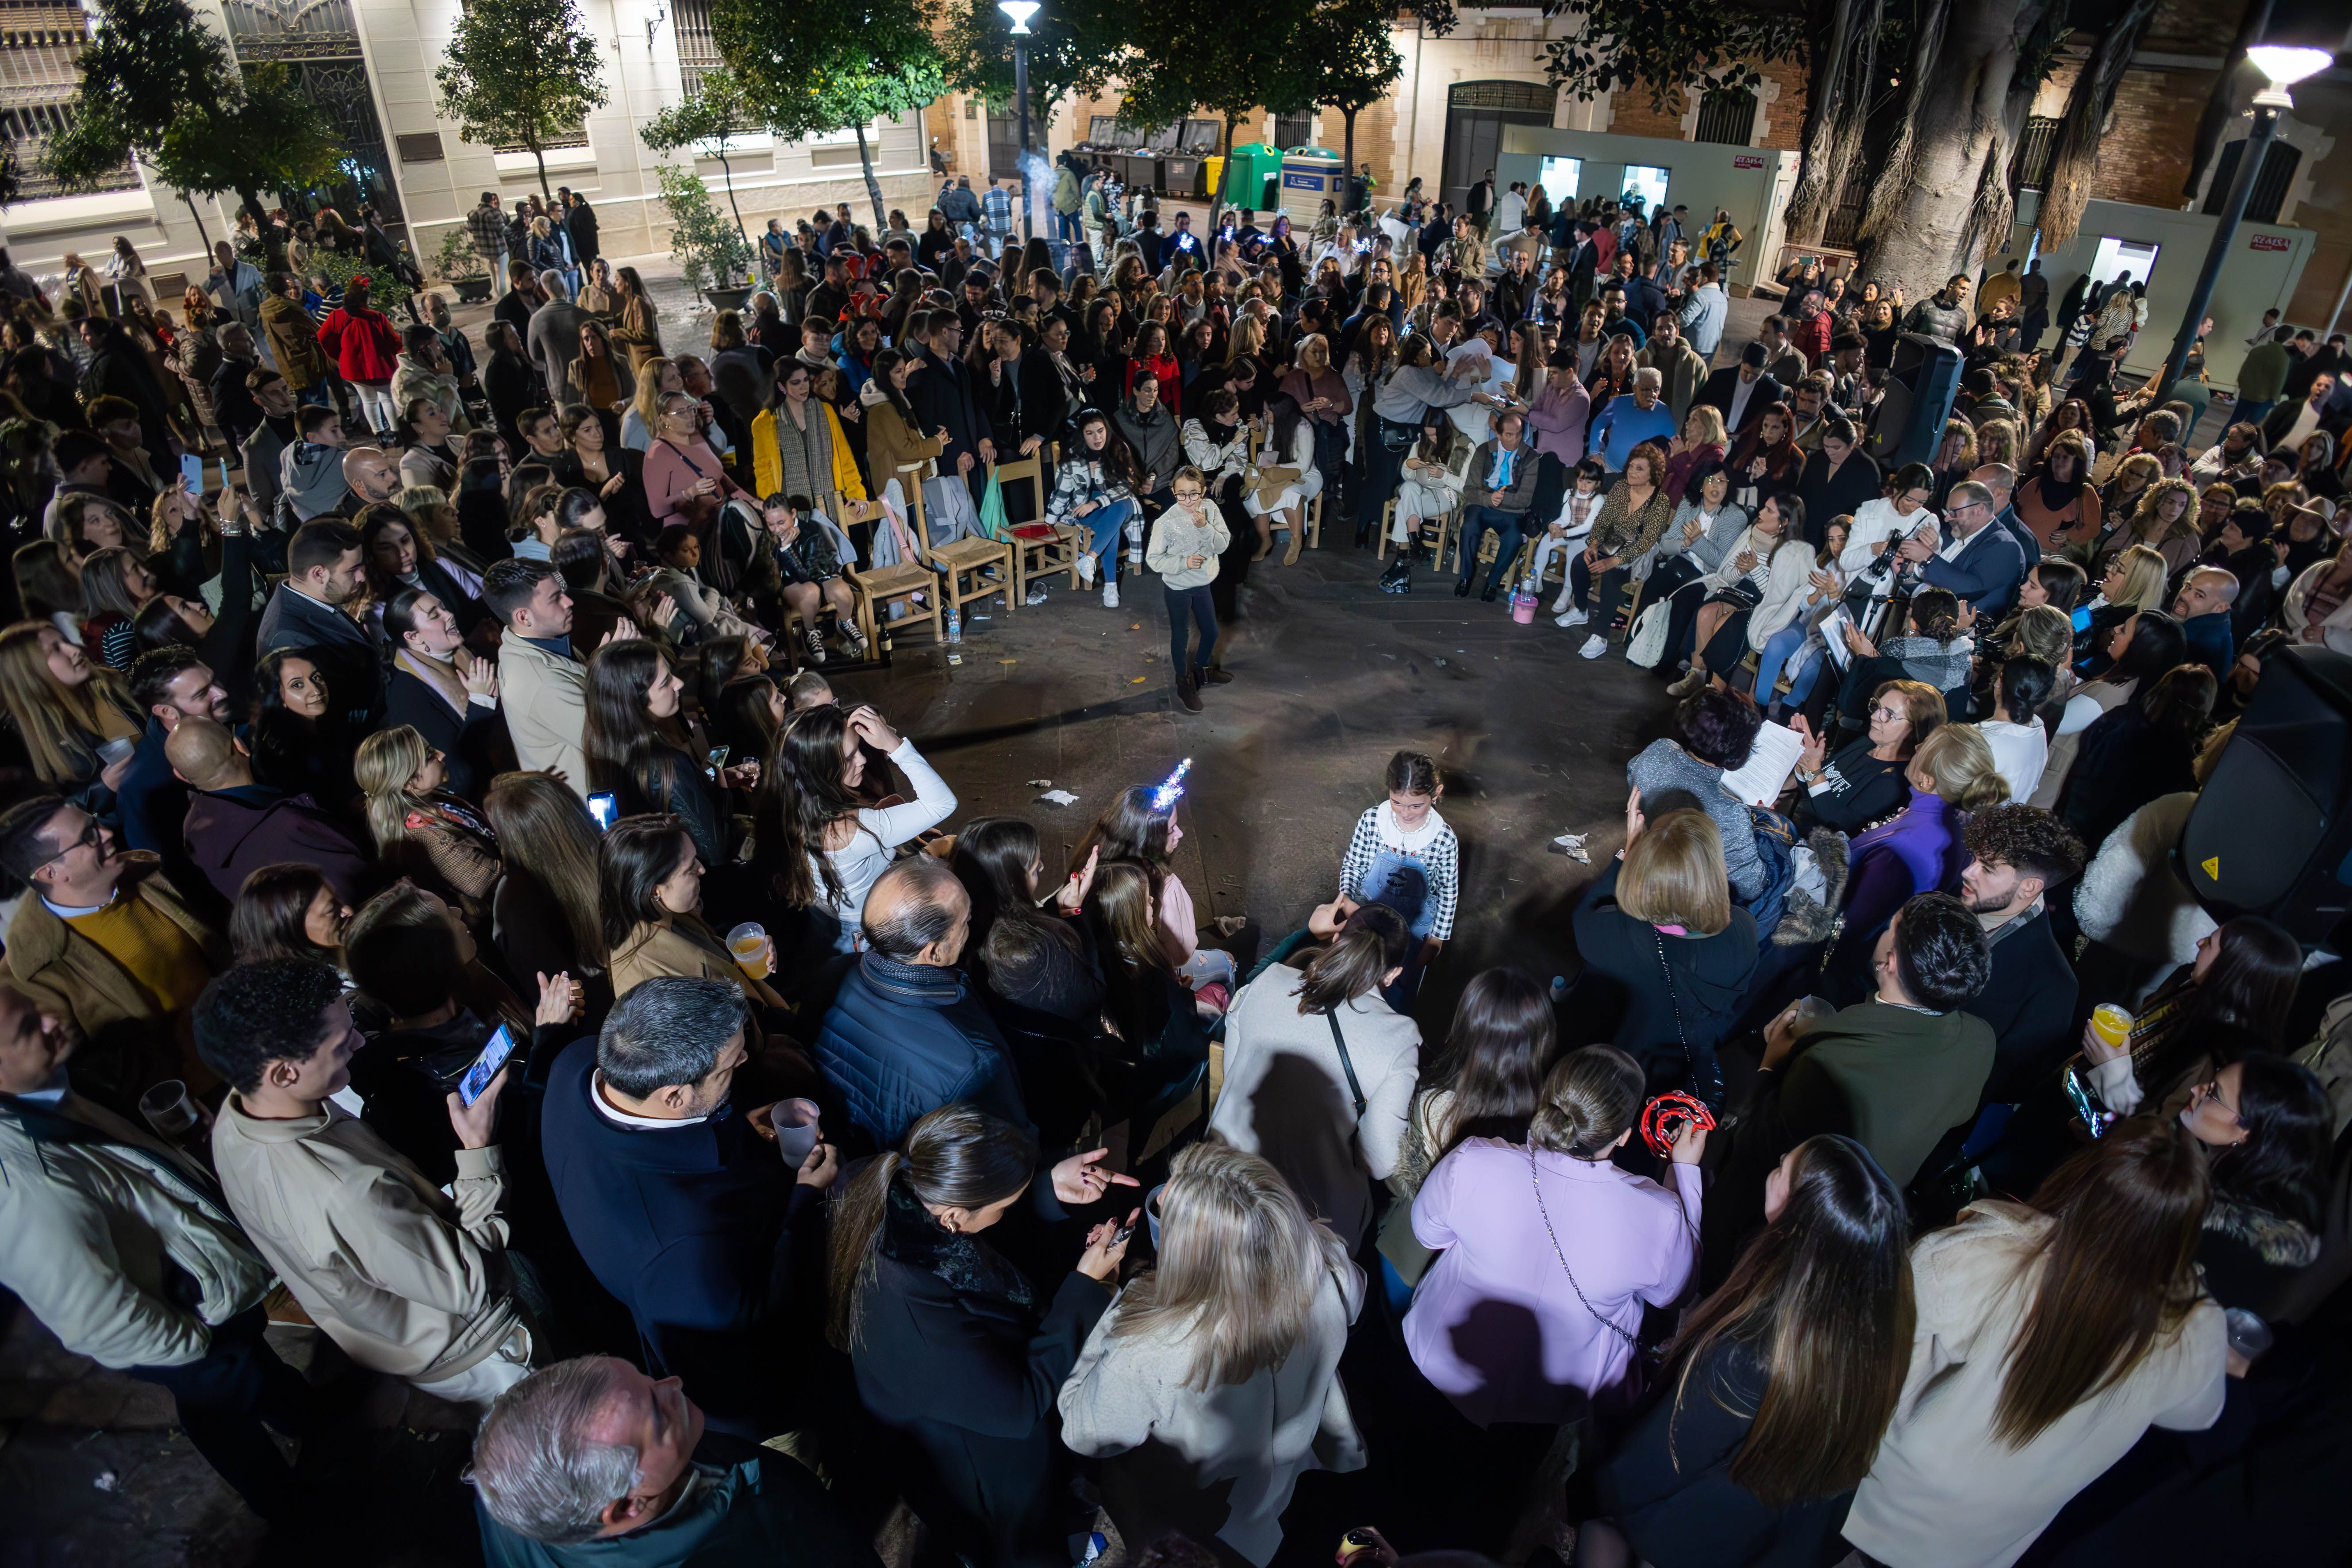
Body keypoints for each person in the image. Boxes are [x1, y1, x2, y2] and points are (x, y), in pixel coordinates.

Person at [1842, 1119, 2225, 1568]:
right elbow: (2199, 1414)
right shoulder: (2193, 1332)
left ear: (2082, 1176)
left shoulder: (1984, 1253)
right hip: (1972, 1549)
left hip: (1873, 1505)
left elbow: (1864, 1342)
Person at [0, 979, 316, 1522]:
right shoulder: (25, 1187)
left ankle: (300, 1413)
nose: (53, 1018)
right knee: (218, 1408)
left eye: (32, 1008)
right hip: (188, 1324)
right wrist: (199, 1347)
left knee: (251, 1370)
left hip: (201, 1295)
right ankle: (292, 1510)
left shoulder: (45, 1092)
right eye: (29, 1028)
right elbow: (98, 1323)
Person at [199, 958, 536, 1411]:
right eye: (340, 1043)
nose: (358, 1042)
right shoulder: (345, 1193)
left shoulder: (236, 1117)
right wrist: (477, 1151)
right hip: (482, 1347)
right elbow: (471, 1279)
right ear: (282, 1073)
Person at [1583, 1135, 1913, 1568]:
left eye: (1781, 1169)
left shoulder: (1747, 1352)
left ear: (1798, 1219)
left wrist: (1589, 1492)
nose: (1772, 1170)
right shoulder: (1880, 1323)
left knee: (1599, 1517)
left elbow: (1660, 1462)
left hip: (1700, 1528)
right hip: (1778, 1525)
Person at [829, 1103, 1130, 1567]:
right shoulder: (916, 1311)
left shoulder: (897, 1184)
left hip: (960, 1393)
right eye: (1006, 1204)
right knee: (1019, 1541)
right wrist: (1086, 1288)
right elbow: (1020, 1407)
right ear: (953, 1217)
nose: (1008, 1211)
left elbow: (982, 1231)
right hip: (980, 1455)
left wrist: (1049, 1187)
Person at [539, 975, 838, 1439]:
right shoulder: (683, 1251)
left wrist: (737, 1126)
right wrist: (807, 1198)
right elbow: (761, 1314)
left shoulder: (575, 1064)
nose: (743, 1059)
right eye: (730, 1065)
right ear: (674, 1096)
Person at [1058, 1140, 1364, 1568]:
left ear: (1192, 1252)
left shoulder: (1153, 1342)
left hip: (1195, 1513)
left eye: (1173, 1203)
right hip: (1277, 1472)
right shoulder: (1324, 1256)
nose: (1160, 1196)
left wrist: (1113, 1296)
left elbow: (1084, 1432)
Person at [1407, 1044, 1704, 1425]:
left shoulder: (1474, 1160)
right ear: (1626, 1135)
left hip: (1441, 1362)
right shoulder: (1660, 1218)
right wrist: (1684, 1176)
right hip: (1550, 1405)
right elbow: (1677, 1293)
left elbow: (1427, 1234)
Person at [1705, 894, 1994, 1282]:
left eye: (1891, 925)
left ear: (1891, 962)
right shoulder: (1981, 1040)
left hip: (1798, 1225)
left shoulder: (1828, 1066)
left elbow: (1759, 1149)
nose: (1884, 930)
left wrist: (1773, 1061)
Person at [469, 1355, 878, 1568]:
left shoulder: (509, 1485)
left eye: (644, 1377)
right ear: (627, 1506)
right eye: (657, 1414)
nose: (672, 1383)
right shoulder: (740, 1548)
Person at [1206, 903, 1417, 1250]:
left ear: (1337, 938)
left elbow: (1234, 1074)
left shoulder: (1271, 978)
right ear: (1394, 974)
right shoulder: (1399, 1036)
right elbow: (1378, 1161)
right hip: (1308, 1228)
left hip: (1221, 1185)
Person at [0, 795, 224, 1112]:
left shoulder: (146, 874)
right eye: (89, 836)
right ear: (50, 873)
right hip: (202, 1099)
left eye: (95, 822)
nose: (106, 832)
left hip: (255, 1037)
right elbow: (99, 1076)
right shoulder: (37, 970)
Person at [1572, 798, 1758, 1103]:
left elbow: (1585, 914)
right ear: (1712, 874)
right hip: (1680, 1059)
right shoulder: (1743, 930)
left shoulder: (1614, 932)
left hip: (1614, 1054)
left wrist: (1628, 852)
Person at [754, 701, 957, 957]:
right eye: (849, 757)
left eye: (858, 750)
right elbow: (942, 803)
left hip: (824, 916)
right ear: (821, 770)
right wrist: (894, 744)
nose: (862, 759)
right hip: (862, 929)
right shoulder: (852, 829)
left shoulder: (786, 803)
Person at [167, 716, 371, 908]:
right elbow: (362, 889)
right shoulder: (291, 825)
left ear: (181, 776)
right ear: (240, 746)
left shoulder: (193, 836)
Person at [1956, 804, 2085, 1104]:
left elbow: (2005, 1082)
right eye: (1975, 858)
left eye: (1987, 868)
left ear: (2029, 887)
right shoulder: (1958, 896)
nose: (1968, 872)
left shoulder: (2053, 987)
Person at [487, 557, 601, 795]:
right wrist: (619, 672)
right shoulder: (539, 681)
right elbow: (609, 740)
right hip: (599, 799)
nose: (569, 602)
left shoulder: (538, 644)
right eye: (555, 598)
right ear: (523, 618)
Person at [1146, 466, 1231, 712]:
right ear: (1174, 493)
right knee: (1181, 635)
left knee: (1212, 631)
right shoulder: (1166, 522)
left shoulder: (1211, 510)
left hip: (1203, 582)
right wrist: (1183, 563)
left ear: (1203, 491)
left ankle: (1203, 671)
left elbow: (1222, 545)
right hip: (1178, 587)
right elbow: (1154, 560)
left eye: (1194, 494)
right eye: (1181, 494)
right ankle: (1183, 681)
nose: (1188, 500)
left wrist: (1205, 527)